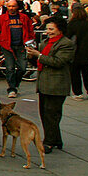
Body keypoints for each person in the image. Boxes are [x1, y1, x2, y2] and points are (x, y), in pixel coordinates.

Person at [27, 18, 74, 153]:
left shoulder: (66, 44)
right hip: (44, 83)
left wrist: (39, 55)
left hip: (57, 84)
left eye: (51, 29)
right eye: (47, 29)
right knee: (45, 113)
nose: (48, 32)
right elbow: (40, 62)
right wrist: (32, 56)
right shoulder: (45, 42)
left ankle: (49, 142)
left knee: (51, 114)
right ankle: (57, 140)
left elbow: (58, 62)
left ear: (60, 29)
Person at [0, 0, 34, 99]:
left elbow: (30, 30)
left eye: (13, 6)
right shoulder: (1, 18)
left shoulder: (24, 17)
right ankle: (12, 88)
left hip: (21, 46)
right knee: (10, 68)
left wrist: (30, 41)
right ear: (7, 7)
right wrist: (2, 40)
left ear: (17, 7)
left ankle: (15, 84)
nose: (11, 8)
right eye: (9, 6)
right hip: (7, 46)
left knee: (23, 67)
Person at [65, 4, 88, 101]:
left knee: (75, 74)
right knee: (87, 74)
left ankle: (78, 93)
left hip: (76, 52)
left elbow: (68, 37)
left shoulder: (72, 24)